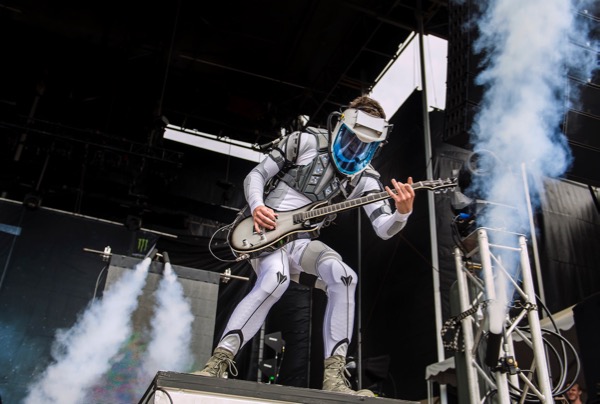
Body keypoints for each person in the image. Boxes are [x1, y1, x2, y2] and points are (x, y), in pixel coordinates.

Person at [194, 95, 415, 396]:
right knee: (276, 279)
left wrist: (402, 213)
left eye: (365, 146)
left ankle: (334, 379)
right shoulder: (305, 142)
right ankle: (218, 363)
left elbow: (384, 229)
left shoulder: (365, 180)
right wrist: (257, 206)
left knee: (345, 277)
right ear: (341, 127)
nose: (356, 149)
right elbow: (257, 174)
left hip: (301, 243)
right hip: (266, 233)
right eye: (352, 140)